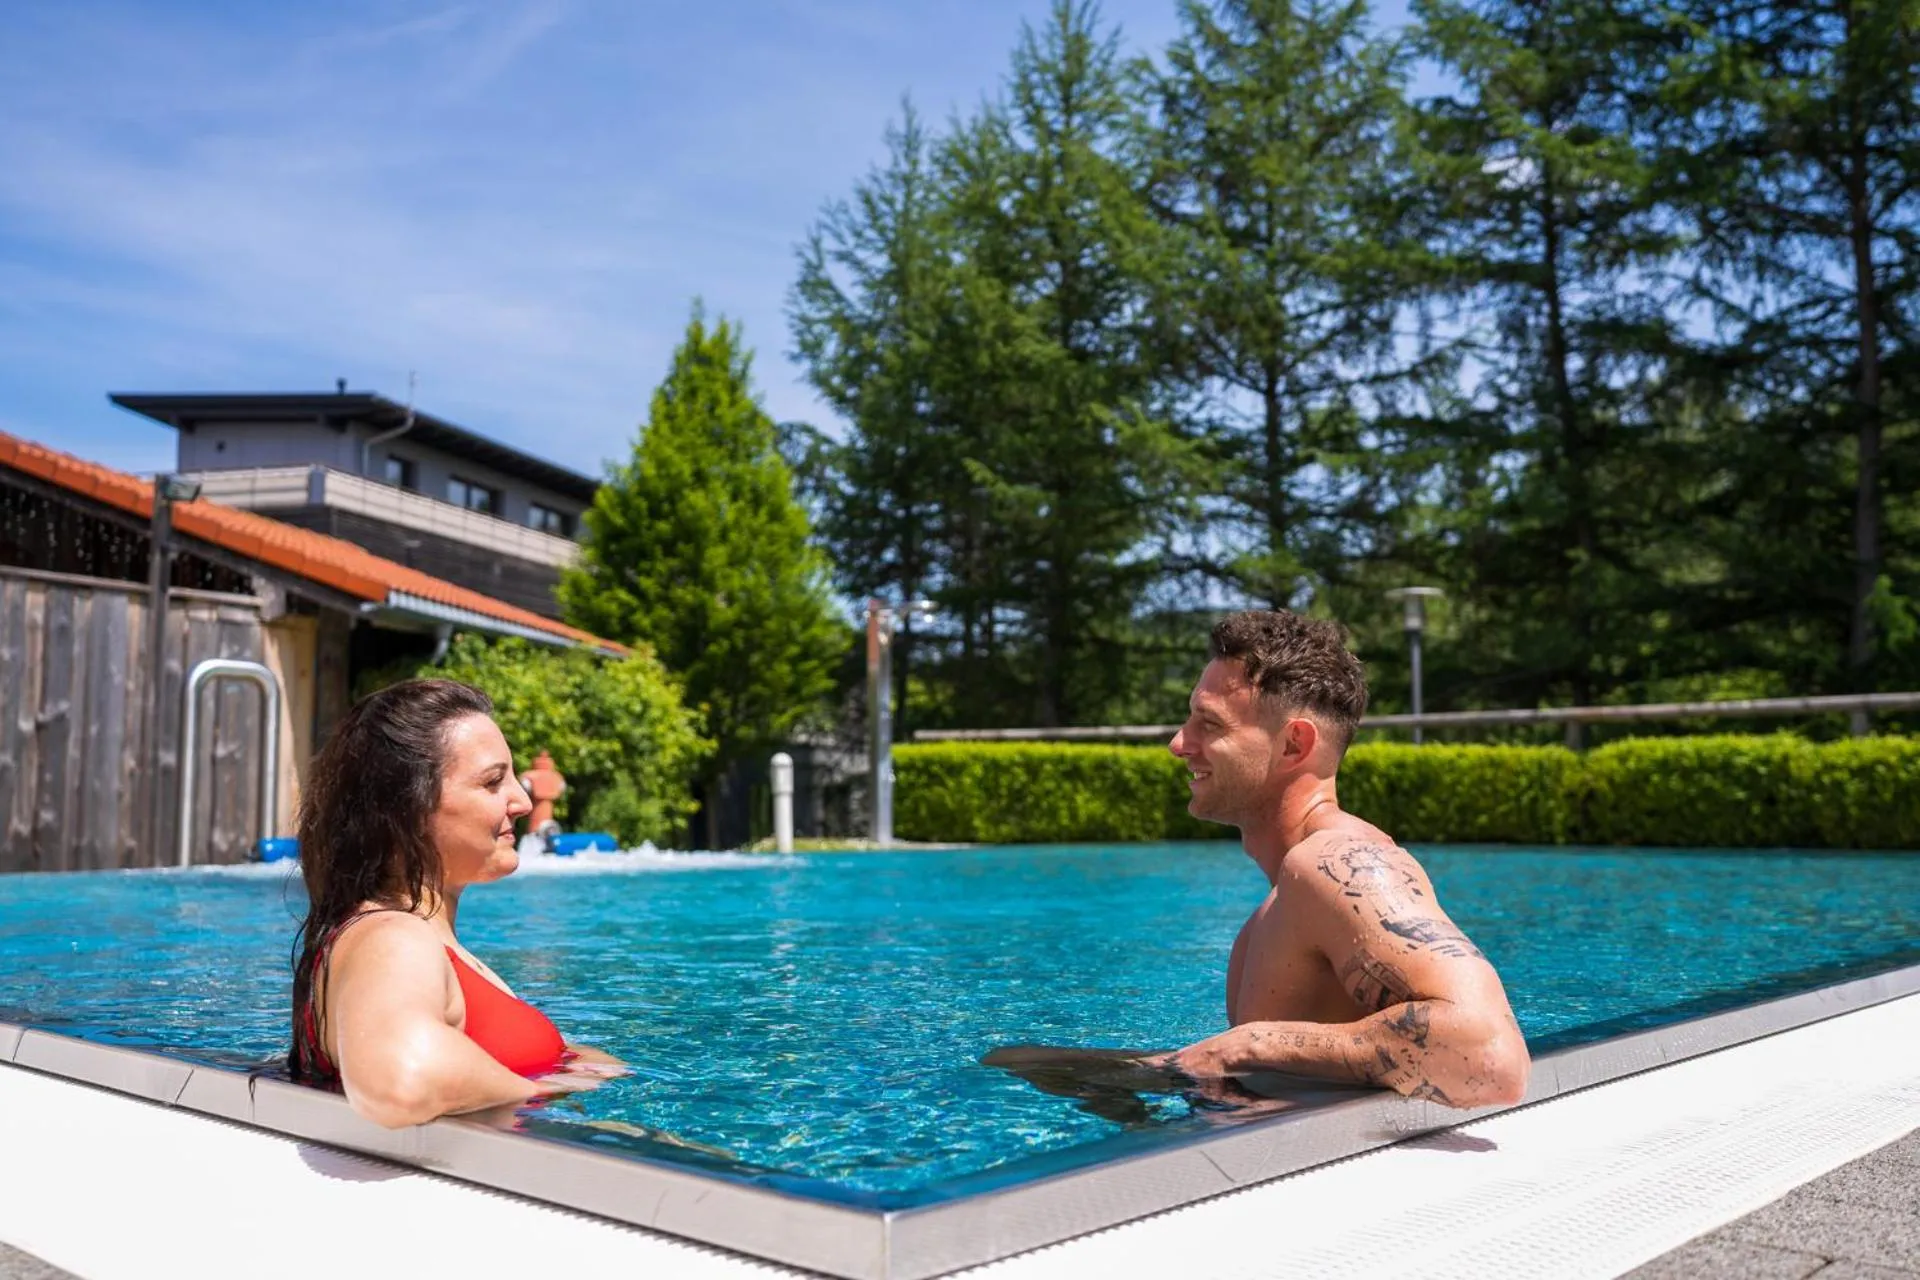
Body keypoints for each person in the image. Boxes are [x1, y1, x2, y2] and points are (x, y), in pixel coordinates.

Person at [1149, 609, 1530, 1109]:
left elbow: (1489, 1057)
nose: (1180, 743)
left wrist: (1248, 1044)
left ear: (1294, 744)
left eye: (1209, 724)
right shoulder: (1280, 901)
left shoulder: (1339, 862)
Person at [289, 679, 621, 1128]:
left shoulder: (420, 939)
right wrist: (542, 1094)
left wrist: (577, 1066)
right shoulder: (392, 938)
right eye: (492, 782)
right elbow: (403, 1078)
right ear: (407, 808)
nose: (522, 802)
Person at [518, 749, 566, 844]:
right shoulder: (557, 777)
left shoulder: (529, 777)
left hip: (537, 825)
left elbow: (525, 786)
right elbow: (562, 787)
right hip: (542, 822)